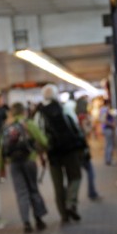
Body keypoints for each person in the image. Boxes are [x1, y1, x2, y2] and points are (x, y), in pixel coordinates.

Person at [36, 84, 86, 223]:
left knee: (58, 185)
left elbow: (39, 136)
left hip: (53, 154)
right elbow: (75, 127)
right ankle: (71, 203)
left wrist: (42, 153)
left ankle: (64, 215)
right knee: (75, 177)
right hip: (70, 150)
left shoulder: (39, 113)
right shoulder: (65, 108)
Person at [0, 102, 48, 233]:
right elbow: (42, 140)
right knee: (33, 189)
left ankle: (26, 222)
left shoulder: (6, 126)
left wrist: (1, 167)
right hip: (29, 160)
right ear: (23, 111)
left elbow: (0, 149)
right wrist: (44, 151)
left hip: (14, 163)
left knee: (21, 193)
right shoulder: (28, 123)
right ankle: (39, 219)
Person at [74, 95, 101, 201]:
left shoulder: (74, 116)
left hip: (76, 149)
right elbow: (86, 131)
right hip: (82, 149)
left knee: (77, 175)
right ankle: (91, 192)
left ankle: (74, 198)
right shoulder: (83, 118)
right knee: (90, 172)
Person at [99, 98, 117, 165]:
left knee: (107, 145)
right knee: (110, 145)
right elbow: (104, 120)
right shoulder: (106, 109)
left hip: (106, 129)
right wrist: (112, 124)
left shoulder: (102, 109)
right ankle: (109, 160)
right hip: (108, 129)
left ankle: (107, 159)